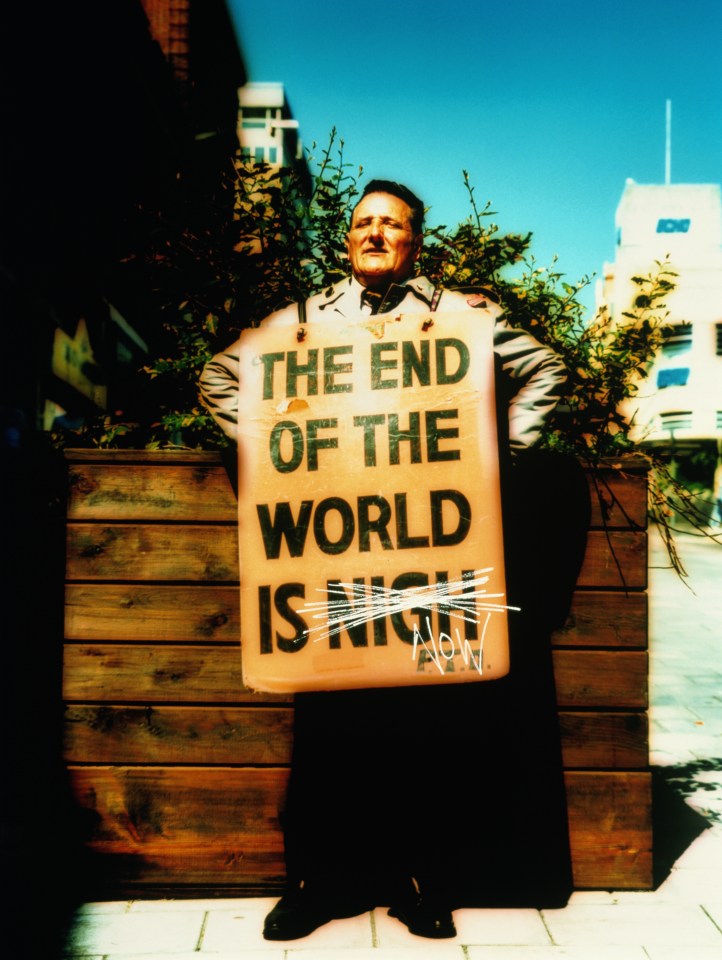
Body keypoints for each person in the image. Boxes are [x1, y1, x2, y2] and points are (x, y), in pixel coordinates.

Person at [200, 180, 590, 941]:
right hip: (331, 554)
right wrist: (272, 454)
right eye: (363, 223)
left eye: (393, 224)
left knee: (425, 720)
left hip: (427, 555)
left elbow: (547, 370)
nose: (375, 233)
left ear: (415, 242)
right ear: (346, 240)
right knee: (326, 723)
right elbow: (220, 376)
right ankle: (316, 882)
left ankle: (423, 882)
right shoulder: (305, 320)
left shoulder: (463, 318)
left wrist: (499, 461)